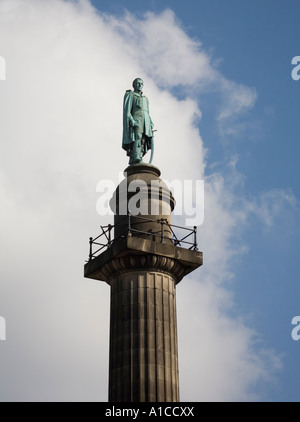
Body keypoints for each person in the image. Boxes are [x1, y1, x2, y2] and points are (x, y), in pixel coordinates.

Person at [122, 78, 154, 165]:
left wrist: (150, 122)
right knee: (137, 137)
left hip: (146, 121)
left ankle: (139, 155)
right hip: (137, 118)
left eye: (141, 84)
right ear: (134, 85)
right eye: (138, 83)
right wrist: (131, 120)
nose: (140, 85)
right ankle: (136, 156)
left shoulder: (145, 98)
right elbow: (127, 110)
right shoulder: (130, 94)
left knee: (144, 139)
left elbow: (147, 111)